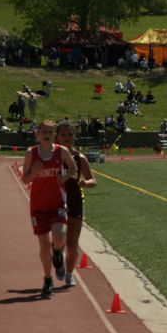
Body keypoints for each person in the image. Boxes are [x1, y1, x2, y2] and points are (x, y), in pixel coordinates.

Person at [20, 120, 78, 297]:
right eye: (44, 131)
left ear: (54, 134)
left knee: (59, 235)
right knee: (43, 244)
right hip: (38, 206)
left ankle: (58, 251)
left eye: (50, 131)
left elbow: (74, 168)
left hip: (57, 203)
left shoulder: (61, 151)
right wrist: (35, 171)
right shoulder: (32, 153)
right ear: (38, 134)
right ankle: (47, 279)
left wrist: (65, 176)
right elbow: (25, 180)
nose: (47, 134)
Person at [56, 120, 97, 287]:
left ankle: (69, 274)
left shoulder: (80, 158)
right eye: (63, 134)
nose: (67, 137)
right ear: (57, 136)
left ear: (74, 136)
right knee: (59, 238)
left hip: (75, 201)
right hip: (55, 201)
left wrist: (85, 184)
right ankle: (57, 255)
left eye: (70, 134)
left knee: (72, 244)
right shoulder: (52, 156)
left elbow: (93, 180)